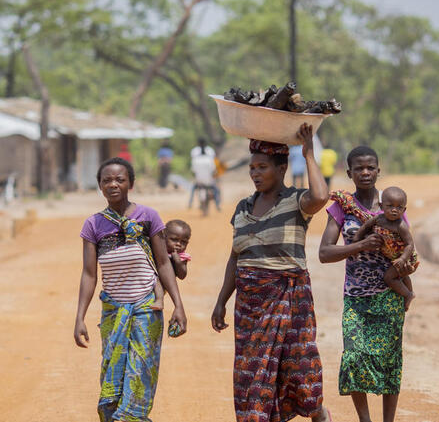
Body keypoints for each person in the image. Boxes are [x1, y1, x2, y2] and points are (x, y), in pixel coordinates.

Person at [211, 123, 333, 422]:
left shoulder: (296, 202)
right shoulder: (242, 208)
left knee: (299, 372)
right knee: (253, 376)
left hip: (290, 302)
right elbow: (235, 257)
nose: (254, 173)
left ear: (281, 169)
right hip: (249, 308)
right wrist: (221, 300)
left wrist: (307, 155)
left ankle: (319, 414)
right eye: (252, 168)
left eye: (262, 167)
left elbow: (320, 196)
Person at [74, 157, 187, 422]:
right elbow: (90, 274)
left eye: (119, 179)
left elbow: (162, 263)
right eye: (106, 180)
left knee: (140, 375)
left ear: (131, 184)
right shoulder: (93, 225)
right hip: (113, 311)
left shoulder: (148, 217)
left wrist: (178, 306)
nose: (113, 184)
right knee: (113, 378)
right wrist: (79, 317)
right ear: (100, 186)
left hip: (147, 309)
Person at [318, 146, 414, 422]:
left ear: (378, 171)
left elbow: (407, 246)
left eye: (371, 167)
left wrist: (405, 275)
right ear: (349, 173)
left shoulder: (392, 204)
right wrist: (360, 245)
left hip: (389, 295)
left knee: (389, 360)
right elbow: (324, 253)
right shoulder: (341, 207)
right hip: (356, 297)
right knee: (354, 356)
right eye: (359, 168)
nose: (365, 172)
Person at [346, 186, 419, 311]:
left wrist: (402, 259)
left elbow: (409, 244)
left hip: (404, 256)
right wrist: (357, 239)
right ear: (381, 206)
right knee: (401, 276)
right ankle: (409, 293)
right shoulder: (379, 219)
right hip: (393, 257)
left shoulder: (401, 225)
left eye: (399, 207)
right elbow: (365, 226)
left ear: (404, 209)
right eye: (390, 206)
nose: (394, 210)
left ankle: (408, 294)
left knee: (389, 277)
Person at [151, 219, 192, 311]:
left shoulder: (182, 256)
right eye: (174, 240)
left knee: (158, 281)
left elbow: (182, 275)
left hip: (164, 282)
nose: (178, 244)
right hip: (148, 280)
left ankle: (159, 300)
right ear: (164, 237)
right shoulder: (158, 248)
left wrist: (178, 262)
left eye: (183, 242)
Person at [189, 139, 221, 211]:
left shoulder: (195, 157)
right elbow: (213, 170)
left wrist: (196, 177)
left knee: (193, 190)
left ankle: (190, 203)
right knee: (216, 190)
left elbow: (193, 171)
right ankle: (217, 205)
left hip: (199, 181)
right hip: (209, 181)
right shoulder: (210, 156)